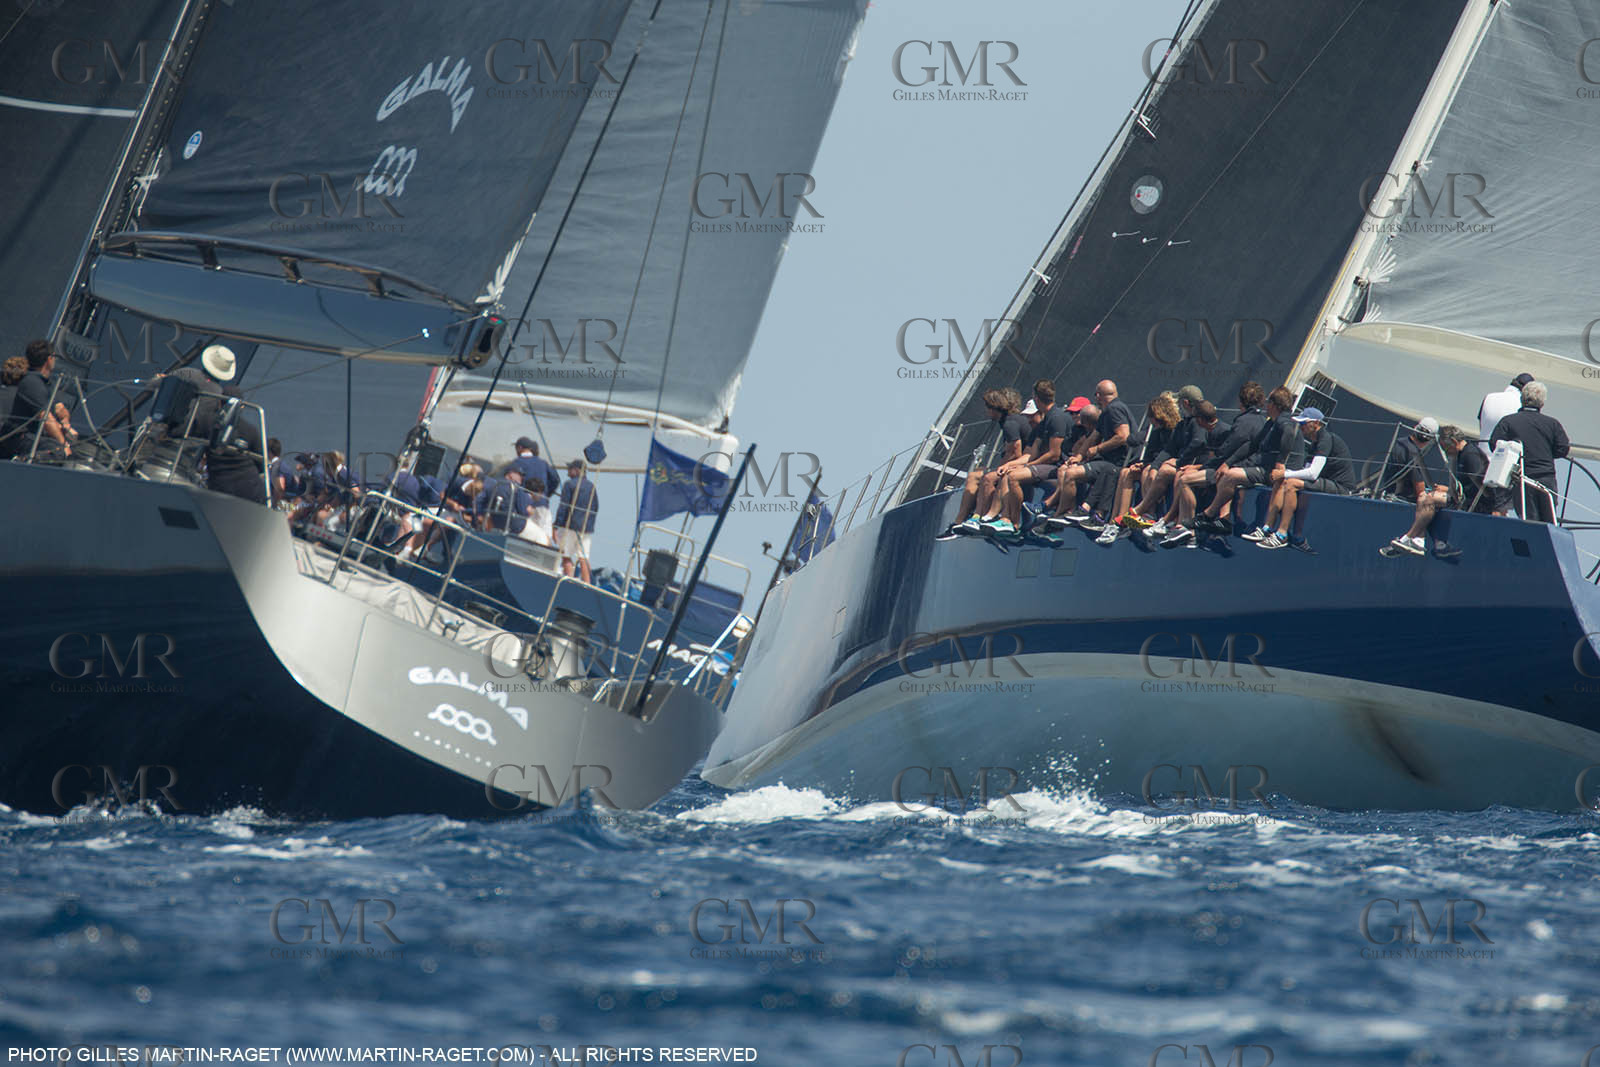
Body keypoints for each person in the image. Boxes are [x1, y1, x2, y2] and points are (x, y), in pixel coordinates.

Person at [1158, 382, 1264, 545]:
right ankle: (1217, 523)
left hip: (1233, 469)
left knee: (1185, 480)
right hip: (1246, 467)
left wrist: (1203, 467)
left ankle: (1189, 529)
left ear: (1241, 401)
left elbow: (1227, 451)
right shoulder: (1263, 420)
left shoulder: (1242, 422)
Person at [1245, 408, 1357, 550]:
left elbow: (1313, 474)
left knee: (1291, 483)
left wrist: (1285, 474)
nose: (1301, 426)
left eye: (1304, 423)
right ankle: (1267, 528)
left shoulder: (1325, 439)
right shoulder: (1314, 442)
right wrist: (1284, 475)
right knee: (1283, 480)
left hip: (1341, 487)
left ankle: (1282, 535)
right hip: (1327, 481)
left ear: (1316, 423)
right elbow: (1306, 470)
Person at [1196, 385, 1298, 534]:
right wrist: (1227, 463)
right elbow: (1252, 445)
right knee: (1229, 472)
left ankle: (1209, 514)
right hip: (1261, 466)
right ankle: (1223, 520)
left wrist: (1280, 462)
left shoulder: (1284, 420)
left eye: (1268, 402)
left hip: (1273, 471)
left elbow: (1289, 433)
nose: (1266, 405)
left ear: (1274, 405)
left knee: (1231, 475)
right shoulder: (1271, 423)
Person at [1387, 425, 1495, 556]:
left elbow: (1480, 487)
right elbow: (1463, 484)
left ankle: (1409, 537)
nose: (1446, 453)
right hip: (1463, 497)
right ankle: (1423, 541)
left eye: (1446, 449)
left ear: (1454, 442)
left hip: (1476, 504)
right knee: (1424, 496)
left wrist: (1450, 491)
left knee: (1429, 498)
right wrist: (1447, 489)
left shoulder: (1471, 455)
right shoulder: (1461, 454)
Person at [941, 388, 1027, 538]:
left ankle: (979, 517)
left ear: (994, 408)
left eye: (988, 408)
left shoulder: (1010, 423)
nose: (987, 412)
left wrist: (1000, 468)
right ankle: (959, 522)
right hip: (1014, 463)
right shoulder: (1007, 421)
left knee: (988, 477)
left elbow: (1016, 451)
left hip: (1020, 465)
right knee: (974, 475)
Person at [1048, 379, 1132, 532]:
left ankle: (1067, 512)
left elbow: (1123, 436)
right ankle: (1067, 512)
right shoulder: (1107, 411)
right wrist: (1079, 457)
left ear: (1098, 396)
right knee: (1067, 469)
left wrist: (1098, 448)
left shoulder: (1114, 409)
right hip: (1107, 462)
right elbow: (1094, 436)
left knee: (1071, 473)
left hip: (1117, 463)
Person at [1099, 391, 1181, 544]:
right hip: (1155, 463)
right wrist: (1142, 463)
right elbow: (1151, 452)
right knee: (1126, 472)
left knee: (1147, 473)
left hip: (1170, 464)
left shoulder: (1176, 430)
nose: (1151, 421)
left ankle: (1149, 514)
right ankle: (1117, 522)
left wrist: (1152, 465)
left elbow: (1170, 451)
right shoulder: (1156, 431)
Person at [1488, 380, 1570, 523]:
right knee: (1549, 522)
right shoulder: (1552, 424)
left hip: (1522, 478)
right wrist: (1545, 452)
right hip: (1547, 478)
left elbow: (1495, 445)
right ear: (1542, 403)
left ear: (1522, 399)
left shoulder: (1508, 422)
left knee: (1528, 521)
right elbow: (1563, 449)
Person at [2, 340, 74, 460]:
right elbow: (46, 419)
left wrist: (65, 422)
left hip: (36, 436)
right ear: (49, 359)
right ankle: (20, 462)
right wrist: (64, 444)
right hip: (21, 436)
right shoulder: (32, 383)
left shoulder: (47, 383)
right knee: (58, 451)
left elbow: (60, 408)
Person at [199, 385, 266, 504]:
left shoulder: (206, 422)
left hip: (220, 487)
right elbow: (261, 465)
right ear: (242, 407)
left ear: (219, 403)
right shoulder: (251, 430)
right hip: (251, 490)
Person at [1375, 417, 1440, 503]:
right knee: (1444, 500)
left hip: (1389, 493)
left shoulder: (1400, 442)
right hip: (1401, 500)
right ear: (1430, 439)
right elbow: (1420, 492)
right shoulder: (1413, 454)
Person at [555, 459, 599, 581]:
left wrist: (556, 525)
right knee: (583, 557)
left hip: (569, 526)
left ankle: (569, 579)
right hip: (586, 529)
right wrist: (589, 525)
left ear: (577, 470)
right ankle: (587, 584)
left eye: (570, 468)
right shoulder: (591, 486)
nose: (568, 471)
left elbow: (563, 507)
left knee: (565, 554)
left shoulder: (569, 484)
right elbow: (595, 507)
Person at [1478, 372, 1533, 460]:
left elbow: (1481, 424)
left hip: (1481, 454)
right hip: (1502, 459)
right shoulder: (1520, 404)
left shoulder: (1489, 397)